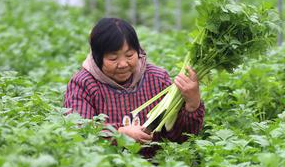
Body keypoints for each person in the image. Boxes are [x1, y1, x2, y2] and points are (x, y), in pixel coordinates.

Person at [64, 18, 204, 149]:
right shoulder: (83, 83)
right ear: (97, 58)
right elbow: (79, 130)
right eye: (113, 58)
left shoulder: (157, 78)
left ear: (138, 51)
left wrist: (192, 104)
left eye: (129, 55)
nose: (123, 64)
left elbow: (179, 140)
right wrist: (118, 133)